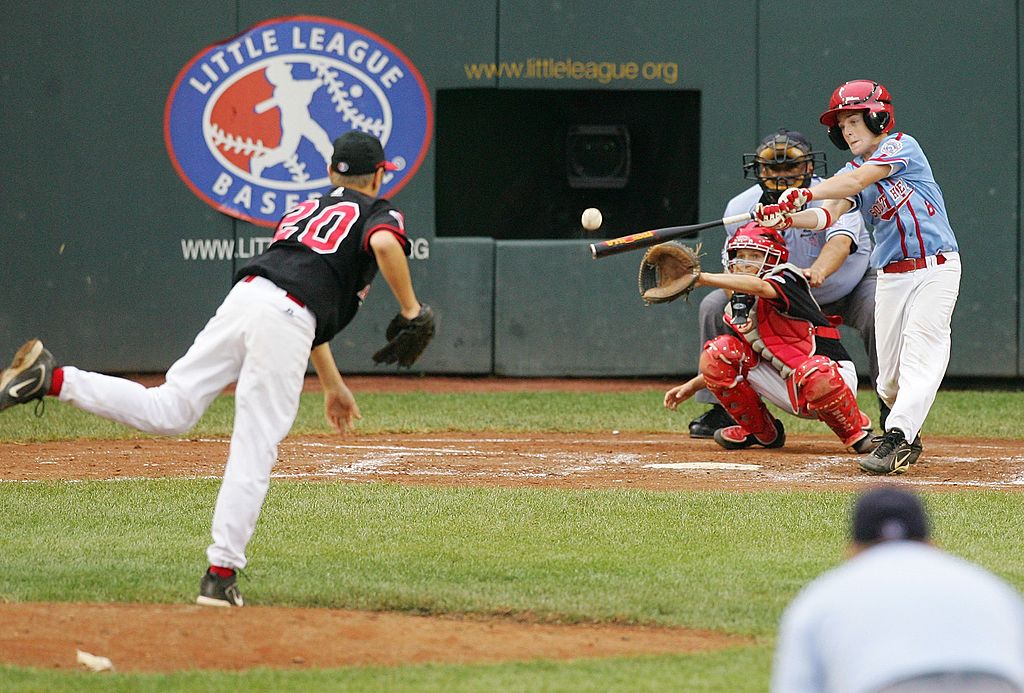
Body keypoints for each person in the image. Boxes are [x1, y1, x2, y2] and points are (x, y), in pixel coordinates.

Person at [0, 131, 432, 607]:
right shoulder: (376, 209)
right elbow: (387, 247)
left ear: (331, 172)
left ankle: (53, 378)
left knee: (170, 407)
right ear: (379, 175)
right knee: (254, 445)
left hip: (248, 297)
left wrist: (331, 383)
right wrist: (412, 310)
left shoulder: (302, 211)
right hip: (286, 316)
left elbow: (300, 290)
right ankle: (220, 574)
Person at [755, 79, 959, 475]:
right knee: (889, 379)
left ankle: (897, 437)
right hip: (892, 277)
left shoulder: (902, 147)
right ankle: (907, 433)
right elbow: (828, 214)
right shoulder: (851, 170)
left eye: (853, 120)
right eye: (841, 124)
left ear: (878, 116)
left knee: (923, 353)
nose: (846, 130)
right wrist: (787, 217)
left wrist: (804, 193)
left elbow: (855, 183)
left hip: (935, 268)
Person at [688, 128, 882, 440]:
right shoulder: (741, 206)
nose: (781, 174)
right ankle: (725, 411)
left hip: (846, 287)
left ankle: (889, 408)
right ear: (759, 170)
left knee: (878, 309)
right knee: (713, 306)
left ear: (808, 167)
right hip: (777, 298)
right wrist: (737, 300)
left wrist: (816, 272)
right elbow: (736, 266)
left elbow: (841, 242)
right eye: (772, 167)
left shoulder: (831, 192)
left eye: (790, 166)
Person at [772, 487, 1024, 692]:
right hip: (997, 683)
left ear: (853, 550)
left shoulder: (823, 595)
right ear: (932, 544)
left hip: (890, 684)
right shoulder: (986, 586)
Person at [664, 222, 875, 455]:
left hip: (830, 375)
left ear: (773, 258)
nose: (745, 263)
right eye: (741, 256)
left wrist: (702, 278)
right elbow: (741, 358)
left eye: (755, 255)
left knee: (814, 371)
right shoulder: (736, 309)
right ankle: (763, 433)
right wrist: (691, 386)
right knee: (719, 353)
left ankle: (856, 432)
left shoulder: (787, 277)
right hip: (785, 381)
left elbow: (762, 288)